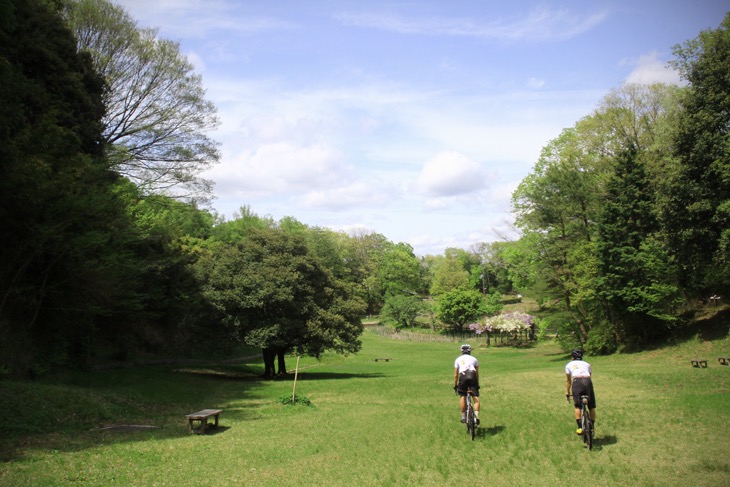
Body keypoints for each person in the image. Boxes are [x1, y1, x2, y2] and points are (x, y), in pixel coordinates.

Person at [565, 348, 596, 435]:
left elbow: (568, 381)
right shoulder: (587, 364)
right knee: (591, 406)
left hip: (577, 382)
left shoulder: (568, 365)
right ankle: (592, 427)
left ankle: (579, 427)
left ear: (573, 357)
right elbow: (589, 375)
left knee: (578, 406)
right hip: (587, 381)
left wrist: (567, 392)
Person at [454, 344, 480, 425]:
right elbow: (477, 374)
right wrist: (477, 384)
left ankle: (463, 416)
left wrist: (455, 385)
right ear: (470, 351)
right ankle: (476, 416)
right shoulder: (474, 359)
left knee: (463, 396)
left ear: (462, 351)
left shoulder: (458, 359)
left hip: (463, 376)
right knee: (475, 397)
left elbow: (456, 375)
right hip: (472, 376)